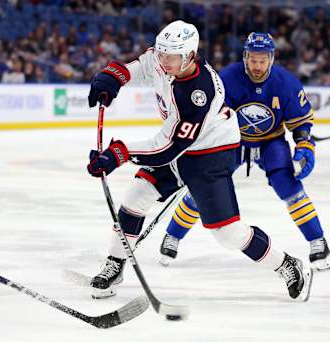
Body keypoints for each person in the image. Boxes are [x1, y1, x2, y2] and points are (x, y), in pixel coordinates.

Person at [86, 21, 313, 302]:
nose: (163, 61)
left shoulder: (200, 93)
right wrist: (115, 76)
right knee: (136, 196)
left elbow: (166, 149)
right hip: (179, 146)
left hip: (211, 154)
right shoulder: (166, 59)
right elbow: (143, 66)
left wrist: (118, 153)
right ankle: (116, 263)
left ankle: (286, 263)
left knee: (227, 234)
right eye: (161, 53)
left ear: (189, 56)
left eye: (170, 56)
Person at [160, 33, 330, 271]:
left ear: (271, 59)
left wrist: (304, 145)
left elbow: (300, 123)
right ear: (245, 57)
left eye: (262, 60)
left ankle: (317, 240)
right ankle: (173, 236)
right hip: (232, 141)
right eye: (253, 60)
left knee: (288, 186)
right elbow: (208, 117)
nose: (257, 66)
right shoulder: (226, 79)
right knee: (205, 186)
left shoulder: (286, 83)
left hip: (271, 142)